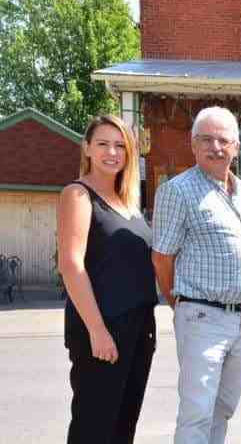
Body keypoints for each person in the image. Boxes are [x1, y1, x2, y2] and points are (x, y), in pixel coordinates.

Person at [152, 106, 241, 444]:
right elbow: (161, 258)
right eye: (206, 139)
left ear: (236, 145)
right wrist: (182, 305)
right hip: (203, 316)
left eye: (223, 140)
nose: (215, 147)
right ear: (192, 144)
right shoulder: (178, 191)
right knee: (197, 413)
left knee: (223, 409)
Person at [58, 115, 158, 444]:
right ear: (87, 148)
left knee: (122, 427)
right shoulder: (78, 195)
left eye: (120, 146)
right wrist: (98, 331)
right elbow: (72, 265)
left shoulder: (129, 203)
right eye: (102, 144)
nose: (112, 152)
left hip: (139, 328)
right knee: (94, 428)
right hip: (103, 330)